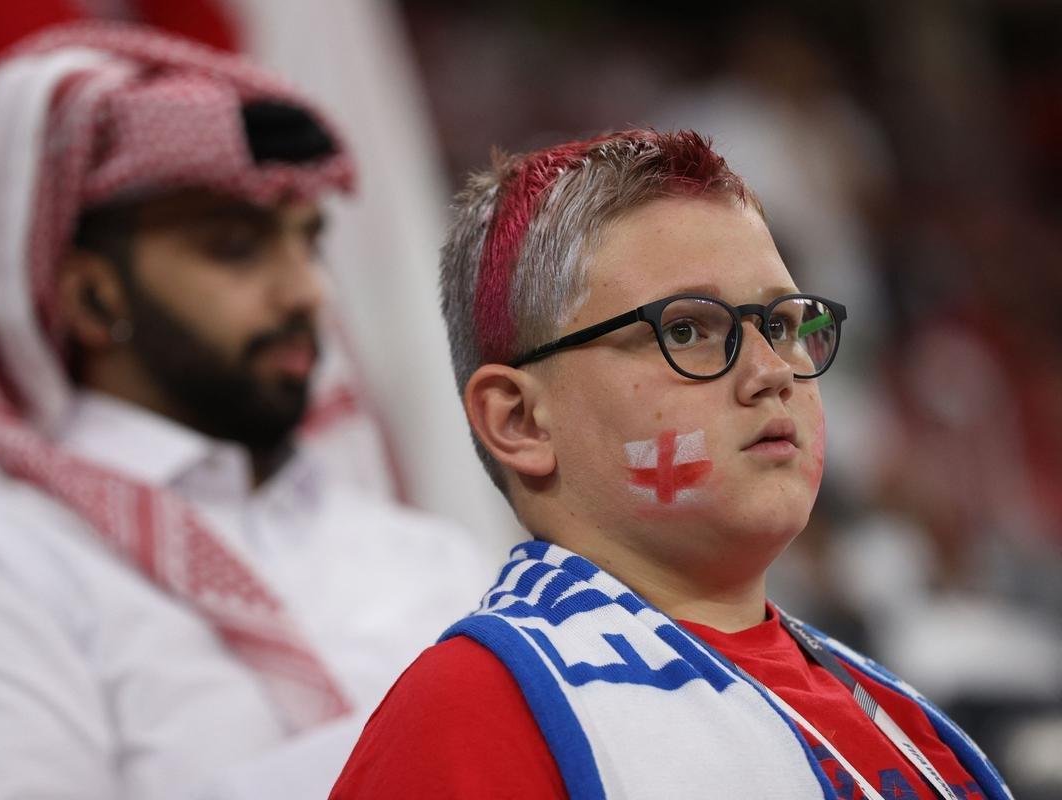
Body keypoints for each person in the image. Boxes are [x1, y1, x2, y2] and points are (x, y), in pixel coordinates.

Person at [0, 22, 488, 800]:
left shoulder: (431, 556)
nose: (307, 292)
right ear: (93, 298)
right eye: (236, 248)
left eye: (309, 243)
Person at [331, 129, 1013, 799]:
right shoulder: (475, 714)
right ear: (521, 421)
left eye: (783, 324)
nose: (773, 372)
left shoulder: (906, 717)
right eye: (686, 329)